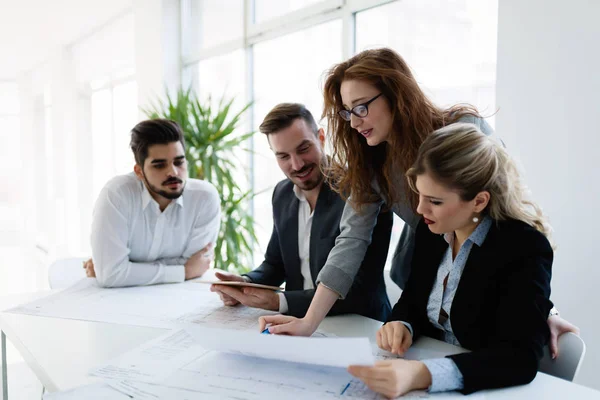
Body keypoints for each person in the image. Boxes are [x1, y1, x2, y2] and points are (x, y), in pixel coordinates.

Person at [259, 48, 578, 358]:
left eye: (361, 107)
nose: (354, 123)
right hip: (427, 286)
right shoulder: (371, 163)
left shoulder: (462, 130)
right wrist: (308, 323)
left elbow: (517, 215)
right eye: (347, 111)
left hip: (486, 286)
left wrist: (540, 307)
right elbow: (351, 242)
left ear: (395, 95)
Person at [348, 123, 557, 396]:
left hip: (485, 387)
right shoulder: (432, 228)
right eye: (419, 195)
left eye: (434, 201)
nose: (420, 209)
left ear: (479, 202)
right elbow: (414, 297)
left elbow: (519, 357)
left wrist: (423, 374)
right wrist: (402, 323)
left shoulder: (524, 248)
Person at [210, 103, 393, 321]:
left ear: (321, 137)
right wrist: (245, 284)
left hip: (360, 324)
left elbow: (361, 290)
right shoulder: (282, 193)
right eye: (283, 156)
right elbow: (275, 264)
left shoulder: (362, 192)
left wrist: (279, 302)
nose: (296, 165)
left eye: (303, 149)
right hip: (297, 322)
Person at [85, 119, 221, 288]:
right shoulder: (117, 194)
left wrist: (125, 267)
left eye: (179, 162)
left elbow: (197, 264)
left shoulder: (204, 198)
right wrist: (183, 271)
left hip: (180, 297)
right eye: (159, 165)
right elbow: (111, 275)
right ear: (139, 171)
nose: (173, 172)